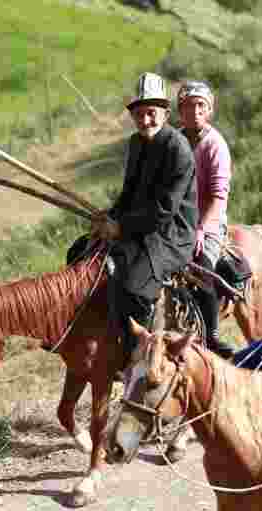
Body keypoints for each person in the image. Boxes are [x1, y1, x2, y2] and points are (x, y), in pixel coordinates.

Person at [89, 72, 198, 366]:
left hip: (170, 236)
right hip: (139, 228)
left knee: (134, 286)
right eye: (139, 114)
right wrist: (108, 216)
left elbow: (164, 210)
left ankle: (136, 355)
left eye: (151, 113)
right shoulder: (136, 143)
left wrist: (120, 227)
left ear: (165, 113)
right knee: (83, 253)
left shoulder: (178, 148)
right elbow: (128, 194)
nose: (145, 120)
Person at [177, 80, 236, 358]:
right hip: (177, 223)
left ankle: (211, 334)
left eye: (201, 105)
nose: (195, 111)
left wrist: (201, 229)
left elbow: (218, 196)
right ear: (180, 111)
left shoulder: (215, 145)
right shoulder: (174, 141)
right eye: (188, 106)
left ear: (209, 110)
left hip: (207, 224)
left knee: (201, 269)